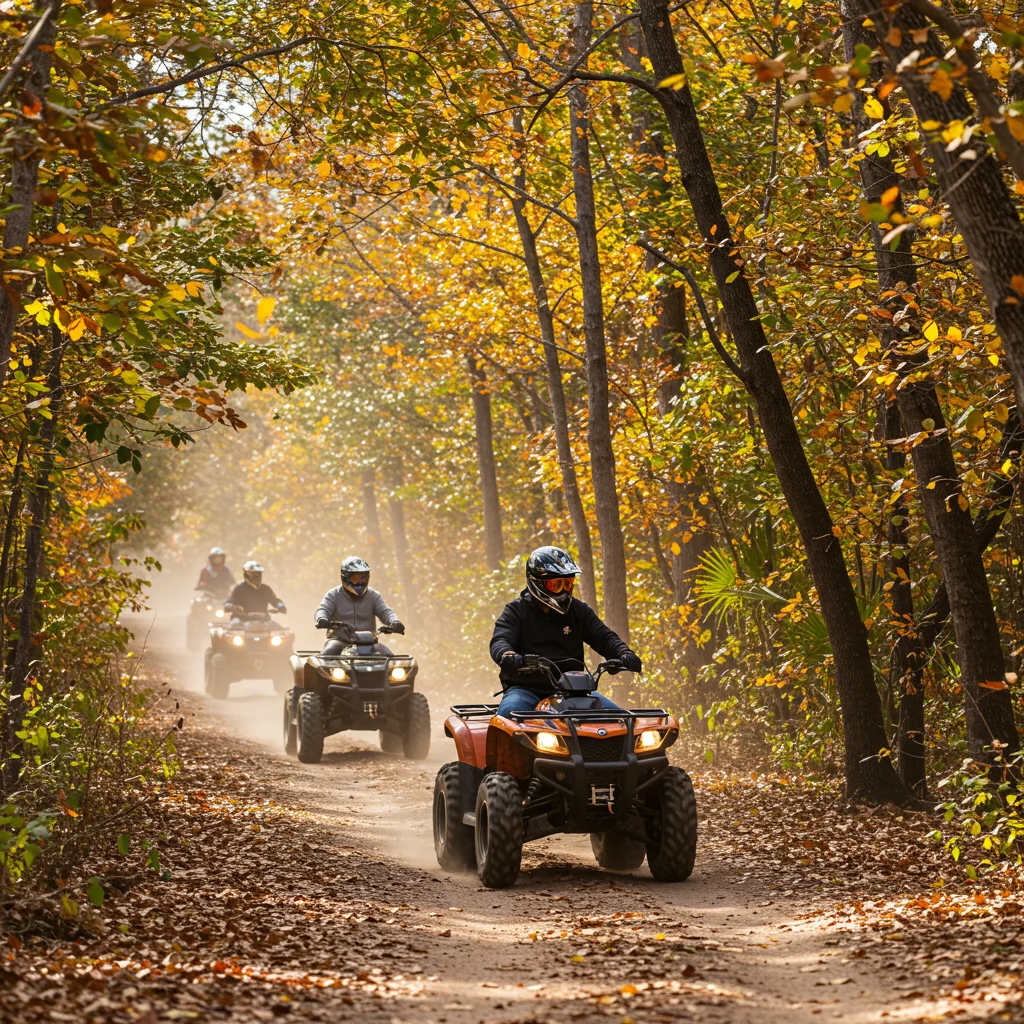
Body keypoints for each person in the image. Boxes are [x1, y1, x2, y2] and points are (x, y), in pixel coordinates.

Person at [489, 546, 642, 717]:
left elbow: (604, 636)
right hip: (527, 690)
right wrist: (508, 655)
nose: (563, 591)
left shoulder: (579, 610)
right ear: (537, 582)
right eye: (556, 584)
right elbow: (500, 640)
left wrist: (623, 652)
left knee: (622, 721)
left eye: (568, 583)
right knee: (508, 716)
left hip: (575, 692)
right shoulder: (516, 610)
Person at [314, 556, 405, 655]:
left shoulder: (373, 596)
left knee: (388, 656)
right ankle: (321, 671)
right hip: (339, 641)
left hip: (369, 643)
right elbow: (323, 609)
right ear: (345, 577)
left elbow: (386, 611)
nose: (361, 581)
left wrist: (395, 622)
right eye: (356, 578)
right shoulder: (334, 595)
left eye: (364, 577)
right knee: (329, 652)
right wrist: (321, 619)